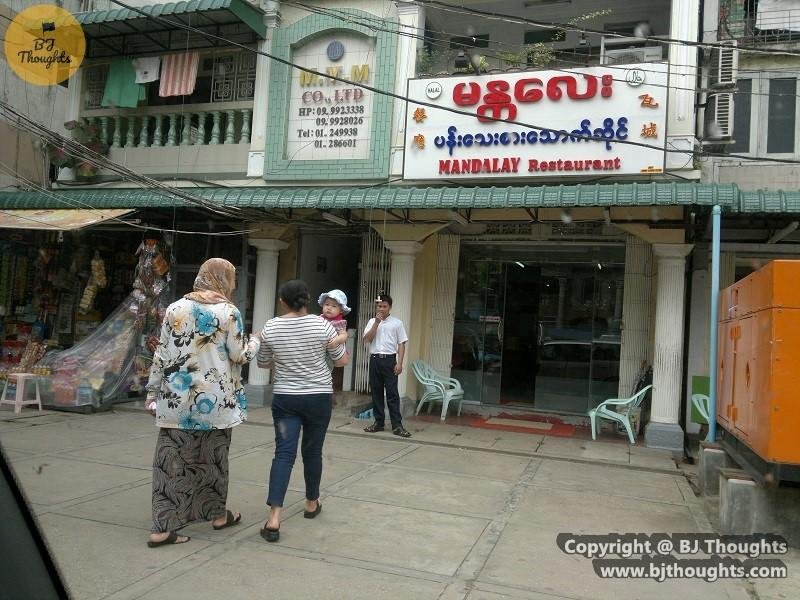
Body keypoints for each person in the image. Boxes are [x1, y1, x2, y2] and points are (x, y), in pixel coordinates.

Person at [145, 258, 259, 548]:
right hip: (215, 402)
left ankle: (164, 528)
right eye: (231, 279)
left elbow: (161, 354)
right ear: (223, 280)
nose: (233, 285)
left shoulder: (175, 309)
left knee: (171, 461)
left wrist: (152, 391)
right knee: (214, 460)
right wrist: (255, 341)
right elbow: (240, 355)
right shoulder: (228, 312)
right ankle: (217, 514)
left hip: (176, 399)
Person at [257, 280, 348, 542]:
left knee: (283, 454)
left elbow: (263, 363)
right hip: (318, 398)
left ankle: (274, 518)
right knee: (312, 451)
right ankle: (311, 502)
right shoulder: (323, 325)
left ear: (282, 302)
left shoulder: (272, 326)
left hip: (286, 399)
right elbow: (341, 360)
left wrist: (287, 358)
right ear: (307, 300)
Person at [362, 292, 411, 438]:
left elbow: (401, 343)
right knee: (376, 392)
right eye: (379, 306)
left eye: (384, 306)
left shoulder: (397, 323)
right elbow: (367, 339)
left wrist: (400, 363)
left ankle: (397, 425)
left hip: (390, 360)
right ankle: (379, 423)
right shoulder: (372, 322)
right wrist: (377, 323)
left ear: (390, 307)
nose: (381, 309)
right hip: (375, 359)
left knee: (392, 393)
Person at [318, 289, 350, 368]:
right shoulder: (320, 318)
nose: (329, 308)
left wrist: (337, 340)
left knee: (326, 366)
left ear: (341, 310)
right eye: (327, 304)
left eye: (334, 306)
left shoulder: (339, 322)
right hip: (319, 349)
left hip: (331, 351)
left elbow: (344, 335)